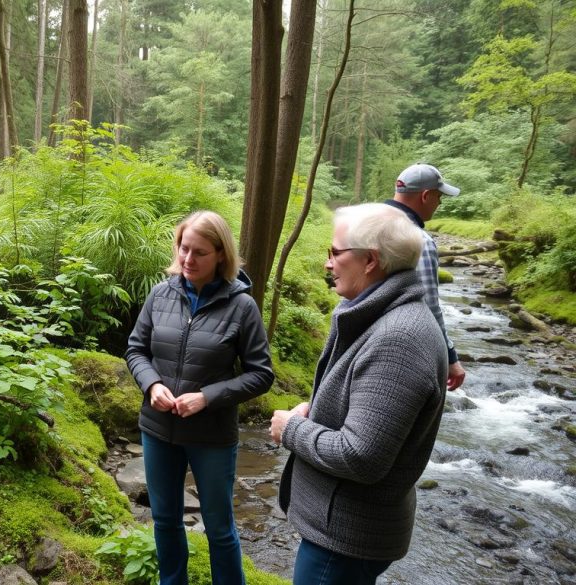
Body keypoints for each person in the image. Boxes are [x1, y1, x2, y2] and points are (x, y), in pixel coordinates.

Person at [270, 203, 448, 585]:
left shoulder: (398, 338)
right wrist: (314, 411)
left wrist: (291, 430)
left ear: (370, 260)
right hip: (343, 530)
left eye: (335, 252)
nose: (327, 263)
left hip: (344, 540)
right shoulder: (379, 315)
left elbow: (361, 456)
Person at [126, 211, 274, 585]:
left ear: (221, 255)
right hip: (159, 428)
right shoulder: (161, 294)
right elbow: (135, 350)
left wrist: (206, 397)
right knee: (165, 519)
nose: (187, 259)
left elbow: (261, 374)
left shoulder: (242, 307)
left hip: (211, 436)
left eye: (199, 252)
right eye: (183, 248)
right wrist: (151, 384)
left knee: (219, 527)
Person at [386, 163, 466, 391]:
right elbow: (429, 306)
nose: (439, 203)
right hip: (401, 347)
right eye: (439, 197)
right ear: (425, 195)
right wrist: (451, 357)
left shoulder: (364, 226)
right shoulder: (418, 240)